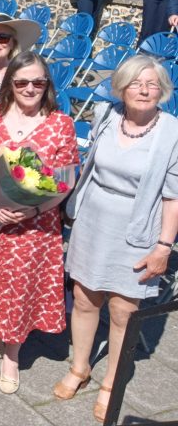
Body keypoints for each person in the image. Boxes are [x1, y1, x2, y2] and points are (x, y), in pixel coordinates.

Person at [55, 55, 178, 423]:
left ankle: (112, 383)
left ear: (163, 91)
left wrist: (163, 247)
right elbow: (86, 164)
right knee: (84, 298)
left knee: (123, 312)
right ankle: (80, 368)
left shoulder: (171, 131)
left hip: (138, 227)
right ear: (121, 87)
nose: (143, 90)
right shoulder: (106, 116)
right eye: (136, 83)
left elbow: (174, 197)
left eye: (152, 84)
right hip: (93, 219)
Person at [0, 51, 78, 395]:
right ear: (10, 84)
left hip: (34, 227)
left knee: (20, 290)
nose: (30, 88)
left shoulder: (60, 123)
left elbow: (65, 181)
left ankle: (11, 355)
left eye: (38, 82)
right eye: (22, 82)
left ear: (47, 85)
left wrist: (33, 211)